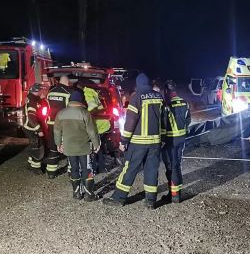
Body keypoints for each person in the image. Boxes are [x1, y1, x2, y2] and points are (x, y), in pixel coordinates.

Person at [104, 73, 164, 209]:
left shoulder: (136, 97)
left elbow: (130, 121)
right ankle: (151, 201)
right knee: (152, 169)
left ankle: (118, 198)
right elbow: (164, 119)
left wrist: (124, 141)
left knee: (129, 169)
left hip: (138, 142)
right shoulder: (159, 97)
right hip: (155, 141)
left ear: (138, 84)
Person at [54, 91, 100, 201]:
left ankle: (76, 193)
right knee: (87, 168)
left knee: (73, 168)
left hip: (69, 148)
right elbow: (92, 131)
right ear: (80, 100)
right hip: (84, 147)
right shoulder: (84, 113)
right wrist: (96, 144)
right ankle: (89, 194)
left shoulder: (61, 113)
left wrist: (58, 143)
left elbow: (56, 131)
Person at [161, 79, 190, 203]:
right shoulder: (185, 103)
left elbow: (163, 125)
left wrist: (161, 140)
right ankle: (176, 193)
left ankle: (174, 195)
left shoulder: (166, 105)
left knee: (171, 167)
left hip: (170, 140)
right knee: (177, 165)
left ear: (167, 91)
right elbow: (188, 120)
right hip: (181, 139)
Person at [79, 80, 112, 173]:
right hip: (103, 124)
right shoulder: (94, 92)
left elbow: (92, 108)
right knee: (99, 147)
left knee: (94, 147)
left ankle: (94, 168)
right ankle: (101, 167)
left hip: (98, 125)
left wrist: (86, 113)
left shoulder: (87, 92)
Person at [45, 75, 72, 178]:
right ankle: (71, 171)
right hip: (64, 124)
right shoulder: (68, 92)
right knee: (69, 147)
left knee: (53, 148)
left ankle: (51, 173)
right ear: (67, 82)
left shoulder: (50, 92)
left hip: (51, 123)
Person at [24, 83, 45, 174]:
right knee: (38, 147)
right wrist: (39, 130)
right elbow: (31, 117)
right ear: (38, 91)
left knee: (33, 146)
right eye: (41, 90)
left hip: (29, 127)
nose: (42, 91)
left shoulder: (32, 98)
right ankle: (36, 168)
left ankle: (30, 164)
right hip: (32, 128)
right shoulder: (33, 101)